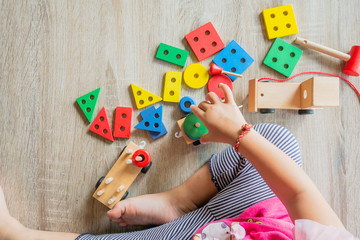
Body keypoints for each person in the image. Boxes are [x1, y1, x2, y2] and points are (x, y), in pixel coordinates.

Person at [0, 84, 357, 240]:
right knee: (278, 142)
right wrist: (239, 132)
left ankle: (14, 234)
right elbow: (298, 194)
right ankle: (179, 203)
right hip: (250, 223)